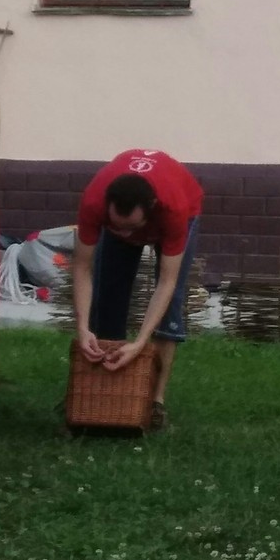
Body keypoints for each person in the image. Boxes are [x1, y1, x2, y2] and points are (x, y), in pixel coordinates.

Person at [73, 150, 204, 429]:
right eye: (116, 228)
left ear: (152, 208)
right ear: (107, 207)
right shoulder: (93, 202)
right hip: (130, 210)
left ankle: (155, 403)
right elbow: (83, 269)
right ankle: (104, 397)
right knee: (107, 301)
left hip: (184, 205)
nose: (125, 236)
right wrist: (83, 327)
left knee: (170, 308)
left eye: (131, 228)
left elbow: (167, 282)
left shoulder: (174, 209)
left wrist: (141, 342)